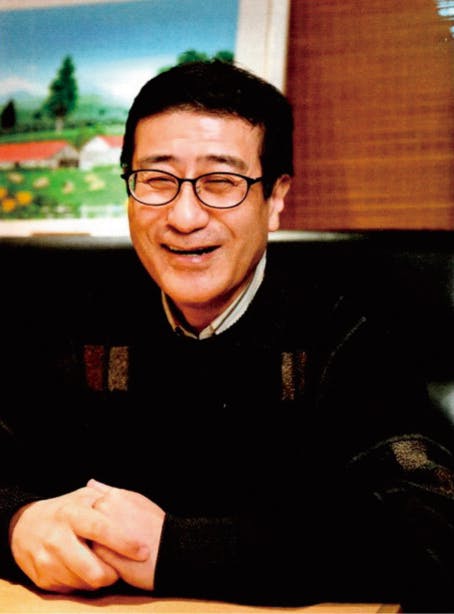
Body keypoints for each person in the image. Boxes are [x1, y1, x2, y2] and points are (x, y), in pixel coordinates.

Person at [2, 59, 454, 613]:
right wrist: (16, 522)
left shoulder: (347, 332)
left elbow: (433, 522)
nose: (185, 216)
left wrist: (171, 549)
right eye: (157, 180)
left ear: (275, 198)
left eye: (221, 182)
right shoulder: (76, 320)